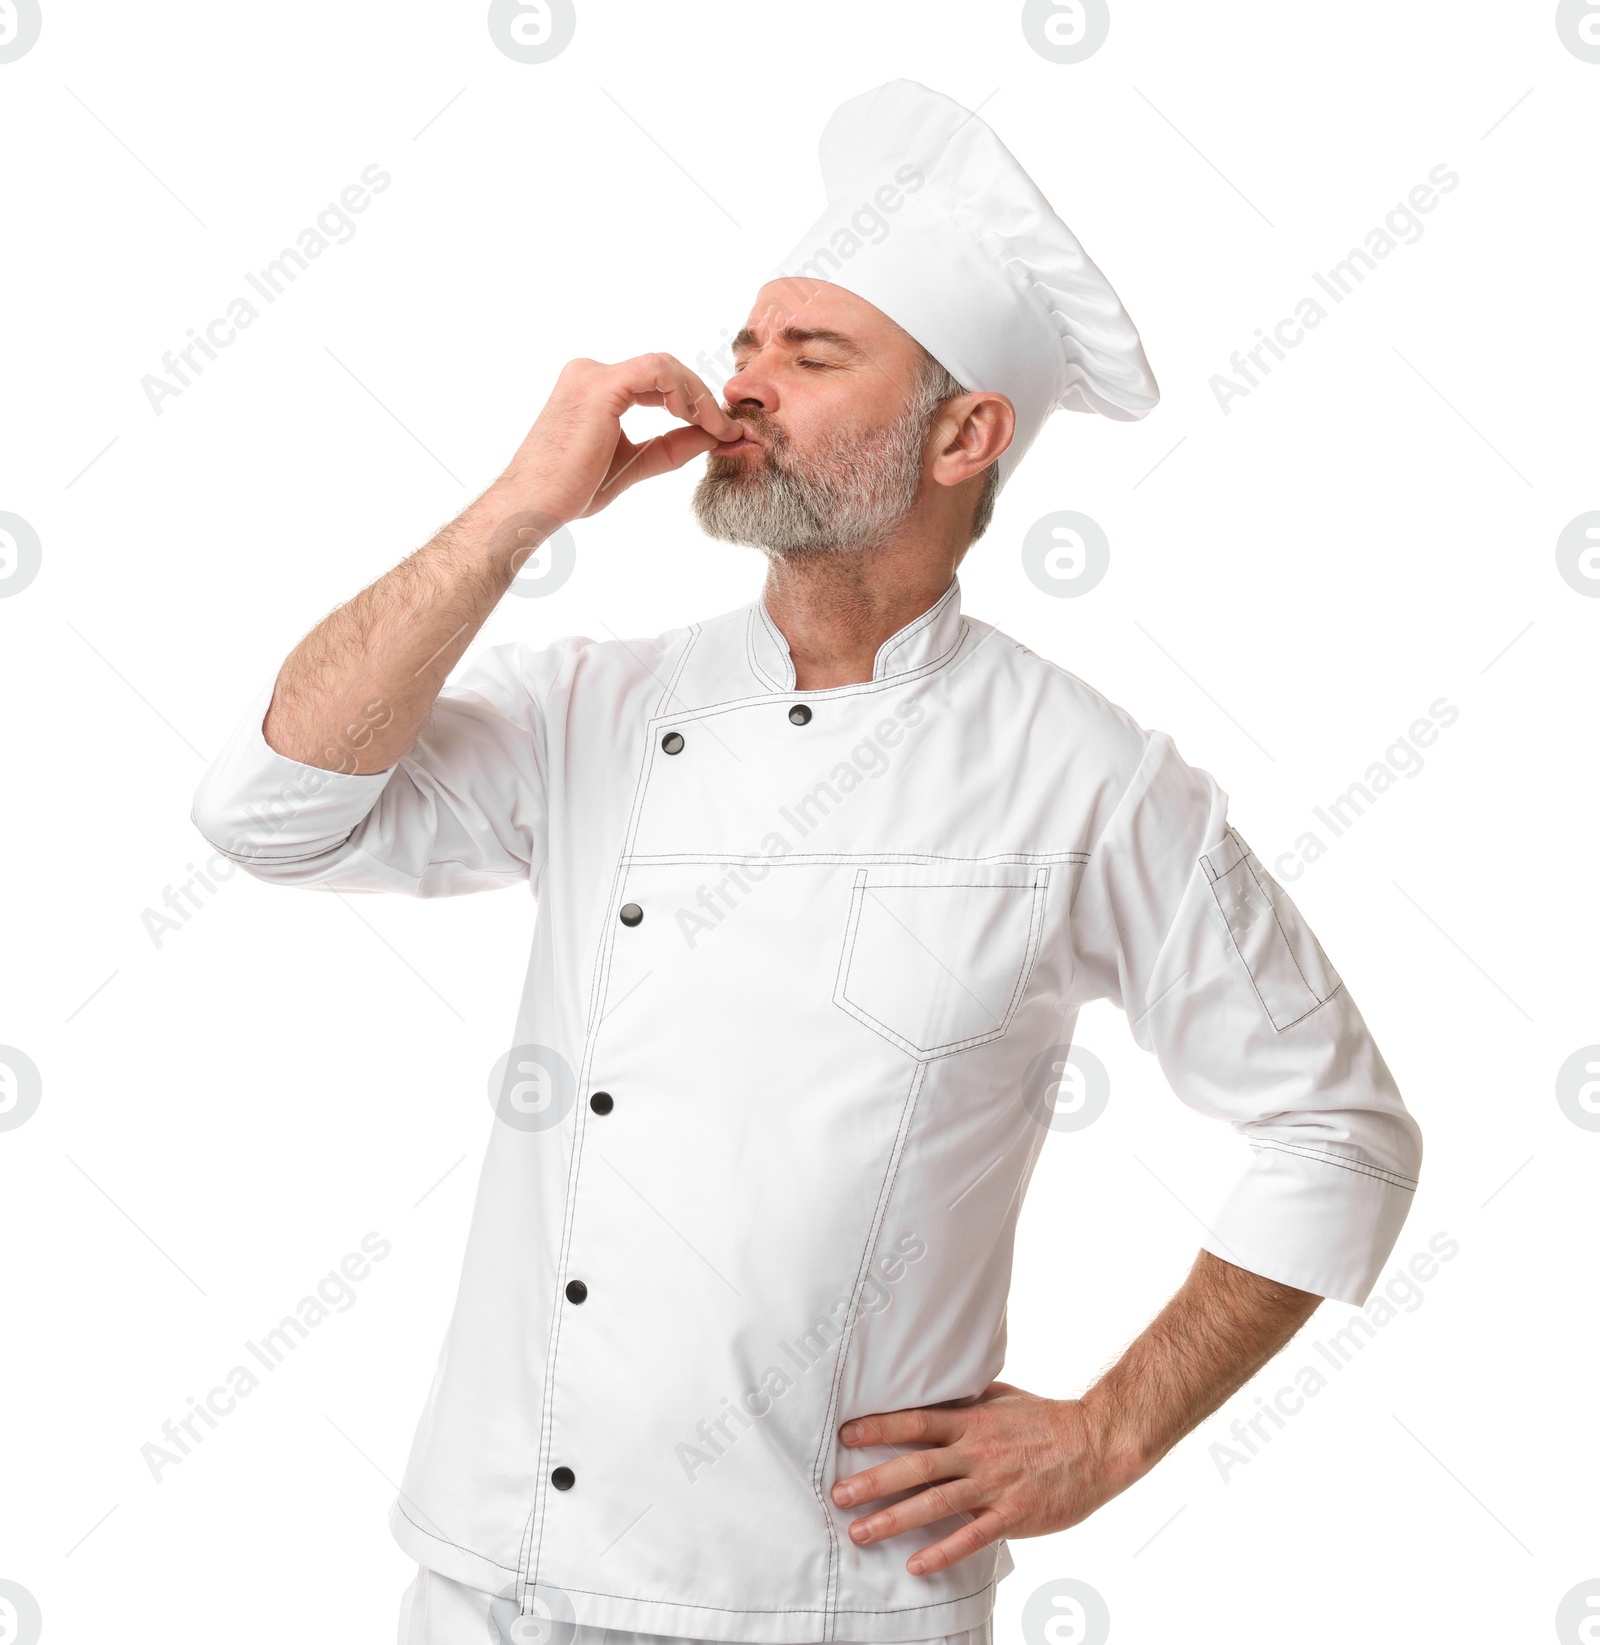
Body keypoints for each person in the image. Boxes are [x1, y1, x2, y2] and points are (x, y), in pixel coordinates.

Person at [192, 81, 1421, 1645]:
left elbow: (1340, 1130)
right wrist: (516, 513)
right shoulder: (596, 705)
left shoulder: (1089, 778)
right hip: (490, 1571)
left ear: (964, 435)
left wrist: (1110, 1432)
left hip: (829, 1603)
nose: (743, 386)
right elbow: (268, 812)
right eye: (746, 345)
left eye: (812, 353)